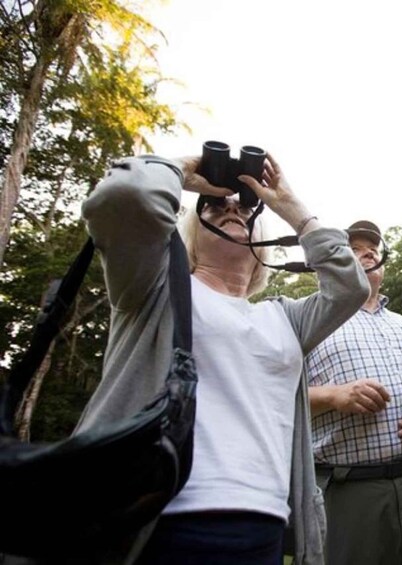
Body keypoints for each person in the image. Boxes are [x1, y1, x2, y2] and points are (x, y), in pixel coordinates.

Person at [77, 152, 369, 564]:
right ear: (192, 232)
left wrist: (290, 207)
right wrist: (186, 171)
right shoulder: (155, 291)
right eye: (215, 206)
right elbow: (126, 195)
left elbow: (349, 287)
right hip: (163, 520)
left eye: (245, 205)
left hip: (263, 522)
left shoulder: (282, 317)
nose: (233, 206)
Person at [306, 220, 402, 565]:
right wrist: (333, 396)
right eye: (353, 250)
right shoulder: (308, 319)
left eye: (372, 251)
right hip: (351, 494)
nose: (366, 255)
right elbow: (278, 395)